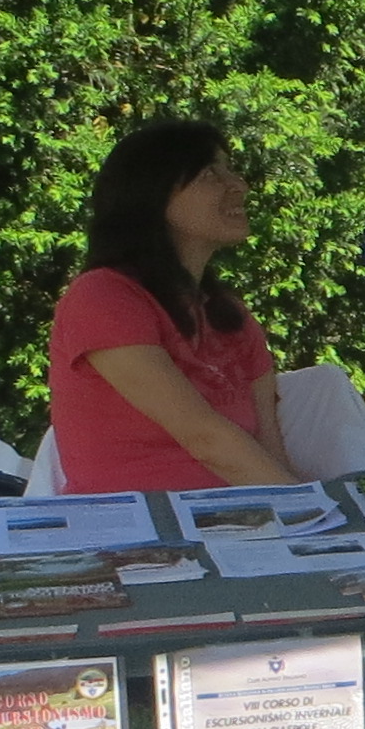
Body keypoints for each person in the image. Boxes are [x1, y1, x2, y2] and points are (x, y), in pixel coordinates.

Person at [49, 116, 297, 493]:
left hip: (239, 517)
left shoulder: (231, 315)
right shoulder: (102, 297)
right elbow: (204, 437)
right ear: (153, 195)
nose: (239, 185)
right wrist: (310, 506)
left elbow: (270, 448)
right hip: (136, 525)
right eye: (210, 175)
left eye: (229, 170)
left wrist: (306, 511)